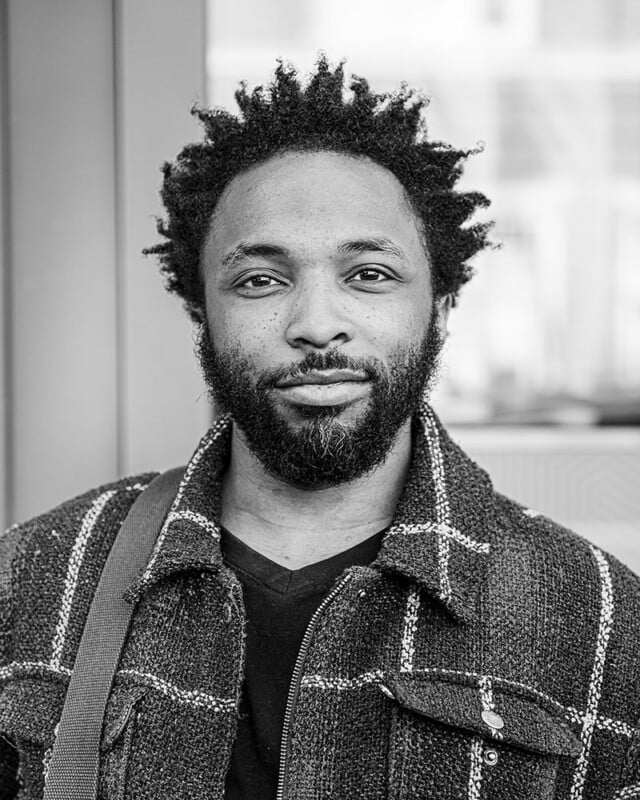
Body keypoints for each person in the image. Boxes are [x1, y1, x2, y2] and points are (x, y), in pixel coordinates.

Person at [0, 57, 639, 800]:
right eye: (260, 280)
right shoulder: (28, 582)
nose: (315, 326)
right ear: (201, 313)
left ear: (439, 307)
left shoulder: (603, 624)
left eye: (368, 274)